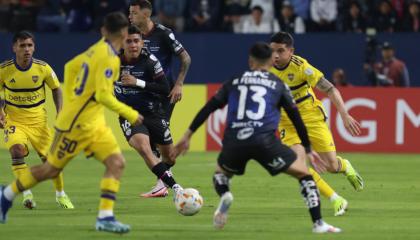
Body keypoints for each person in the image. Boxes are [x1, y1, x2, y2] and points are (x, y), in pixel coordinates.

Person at [175, 42, 341, 233]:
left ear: (250, 61)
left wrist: (188, 135)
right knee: (304, 174)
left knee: (220, 174)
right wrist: (309, 150)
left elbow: (209, 107)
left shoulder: (235, 80)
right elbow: (296, 119)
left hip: (235, 140)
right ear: (271, 61)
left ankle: (225, 194)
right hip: (264, 141)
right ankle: (318, 223)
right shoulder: (278, 84)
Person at [0, 12, 143, 234]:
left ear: (104, 31)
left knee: (117, 163)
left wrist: (74, 97)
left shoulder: (95, 49)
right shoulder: (110, 59)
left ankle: (105, 217)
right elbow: (103, 96)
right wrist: (131, 114)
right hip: (75, 127)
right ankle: (6, 195)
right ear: (124, 34)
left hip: (94, 125)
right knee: (49, 170)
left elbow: (70, 67)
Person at [269, 32, 364, 216]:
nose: (276, 56)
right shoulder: (265, 68)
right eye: (273, 51)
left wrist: (344, 115)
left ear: (291, 51)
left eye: (281, 51)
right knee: (299, 165)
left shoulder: (302, 67)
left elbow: (330, 89)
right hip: (287, 124)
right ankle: (336, 199)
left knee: (331, 167)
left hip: (311, 118)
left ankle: (344, 166)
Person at [0, 30, 74, 210]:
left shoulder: (43, 68)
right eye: (22, 45)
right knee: (17, 151)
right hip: (14, 122)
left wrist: (60, 112)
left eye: (30, 45)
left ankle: (60, 194)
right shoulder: (4, 69)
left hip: (39, 124)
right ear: (14, 48)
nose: (27, 49)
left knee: (52, 163)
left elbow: (56, 89)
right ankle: (26, 193)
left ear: (34, 48)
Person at [128, 0, 191, 197]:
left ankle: (162, 183)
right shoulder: (131, 37)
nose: (129, 16)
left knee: (162, 144)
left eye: (133, 13)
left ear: (146, 15)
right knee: (149, 141)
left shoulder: (163, 33)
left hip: (164, 94)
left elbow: (185, 58)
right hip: (141, 94)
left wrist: (179, 83)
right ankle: (163, 183)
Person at [115, 25, 183, 197]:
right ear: (121, 43)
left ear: (142, 42)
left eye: (136, 41)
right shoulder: (111, 63)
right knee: (144, 148)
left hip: (153, 113)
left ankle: (161, 183)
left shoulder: (150, 61)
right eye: (128, 41)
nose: (133, 45)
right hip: (129, 115)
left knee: (170, 157)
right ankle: (176, 188)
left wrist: (137, 82)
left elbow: (165, 88)